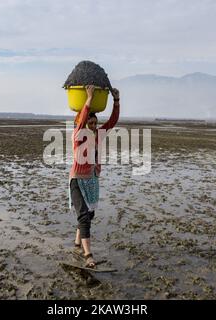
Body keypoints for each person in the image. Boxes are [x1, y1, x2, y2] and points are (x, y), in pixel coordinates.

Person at [69, 85, 120, 268]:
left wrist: (116, 100)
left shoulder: (98, 135)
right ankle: (88, 255)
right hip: (77, 180)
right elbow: (81, 119)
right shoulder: (78, 135)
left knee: (89, 215)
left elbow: (112, 122)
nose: (93, 126)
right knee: (83, 215)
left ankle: (77, 245)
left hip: (92, 179)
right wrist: (89, 99)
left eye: (95, 123)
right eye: (90, 123)